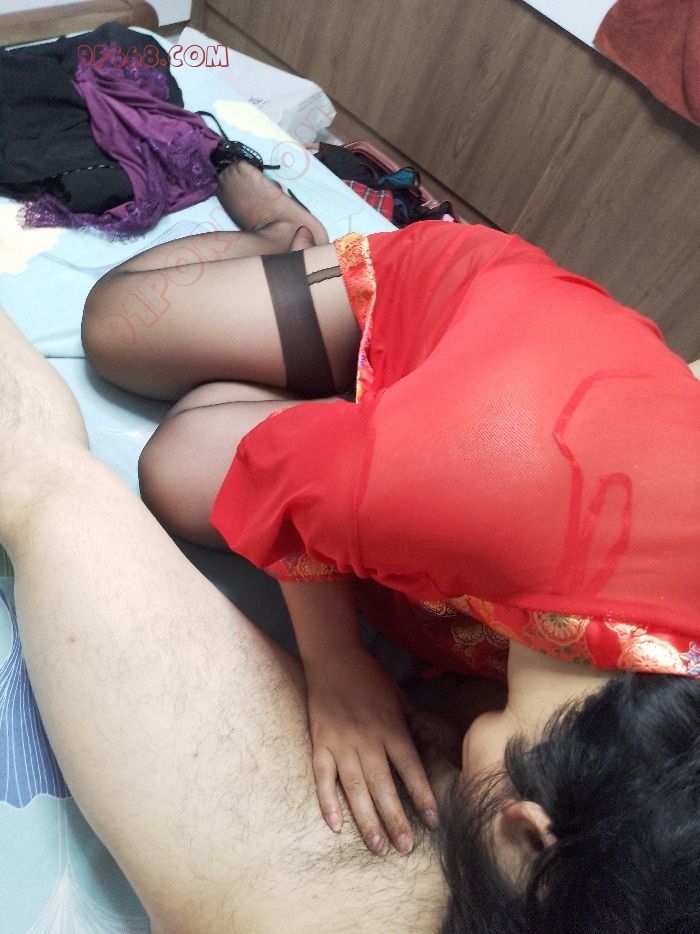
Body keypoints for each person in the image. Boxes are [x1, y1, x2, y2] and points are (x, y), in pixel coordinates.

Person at [75, 160, 700, 929]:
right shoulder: (484, 482)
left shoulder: (658, 725)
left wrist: (453, 734)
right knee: (120, 336)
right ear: (524, 827)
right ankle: (284, 231)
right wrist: (334, 666)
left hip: (480, 459)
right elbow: (279, 469)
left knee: (194, 458)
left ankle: (362, 431)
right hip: (460, 315)